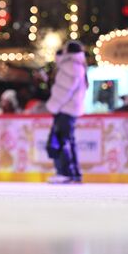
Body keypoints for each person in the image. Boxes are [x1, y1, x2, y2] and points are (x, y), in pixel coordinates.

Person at [45, 42, 88, 184]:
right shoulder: (75, 65)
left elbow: (65, 91)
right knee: (67, 140)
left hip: (64, 109)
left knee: (61, 141)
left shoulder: (71, 66)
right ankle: (73, 173)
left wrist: (54, 106)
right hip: (69, 109)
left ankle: (65, 172)